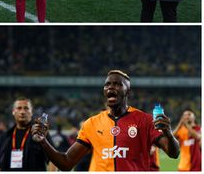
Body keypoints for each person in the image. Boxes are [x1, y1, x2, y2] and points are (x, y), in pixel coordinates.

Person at [31, 70, 180, 171]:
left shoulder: (145, 120)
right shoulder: (91, 124)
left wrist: (168, 133)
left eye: (117, 84)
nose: (111, 87)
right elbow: (66, 163)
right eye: (107, 84)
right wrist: (43, 141)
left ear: (128, 91)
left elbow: (173, 153)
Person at [0, 98, 55, 171]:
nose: (22, 112)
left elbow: (53, 160)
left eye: (26, 108)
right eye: (19, 108)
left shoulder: (40, 133)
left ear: (31, 112)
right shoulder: (5, 136)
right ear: (13, 112)